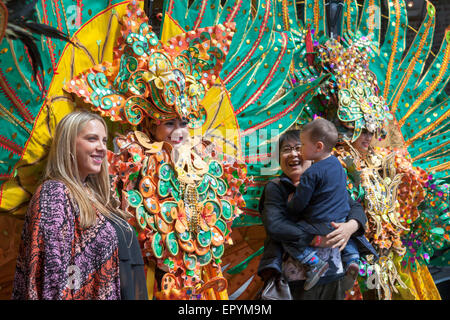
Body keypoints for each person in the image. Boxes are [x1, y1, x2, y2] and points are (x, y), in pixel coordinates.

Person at [12, 111, 147, 300]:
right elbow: (52, 278)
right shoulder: (54, 193)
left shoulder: (96, 197)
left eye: (103, 140)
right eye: (92, 139)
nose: (101, 147)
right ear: (68, 144)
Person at [258, 129, 376, 299]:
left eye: (298, 148)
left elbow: (355, 208)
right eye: (286, 150)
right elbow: (275, 225)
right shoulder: (276, 187)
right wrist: (315, 239)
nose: (293, 154)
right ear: (279, 159)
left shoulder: (326, 182)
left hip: (334, 277)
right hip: (295, 283)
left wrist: (349, 227)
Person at [284, 118, 367, 290]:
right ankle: (352, 258)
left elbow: (300, 204)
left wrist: (291, 203)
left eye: (303, 145)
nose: (299, 152)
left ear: (318, 147)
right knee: (344, 234)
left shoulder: (311, 173)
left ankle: (314, 263)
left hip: (320, 224)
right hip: (341, 219)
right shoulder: (338, 165)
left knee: (289, 237)